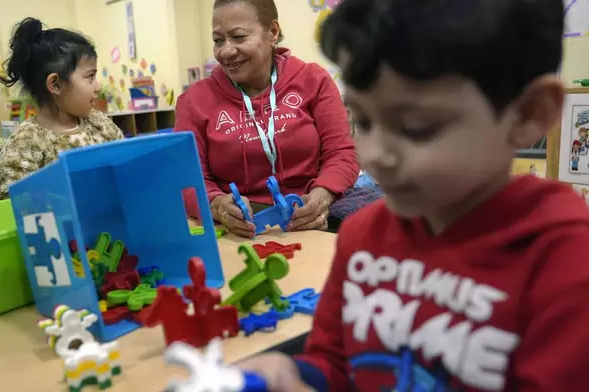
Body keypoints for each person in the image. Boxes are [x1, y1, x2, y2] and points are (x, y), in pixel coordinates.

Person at [238, 0, 589, 391]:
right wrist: (292, 374)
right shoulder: (362, 236)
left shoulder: (564, 258)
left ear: (529, 114)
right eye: (363, 121)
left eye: (417, 127)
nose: (374, 155)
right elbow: (334, 362)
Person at [174, 0, 359, 238]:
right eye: (218, 40)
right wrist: (218, 205)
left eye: (238, 37)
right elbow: (187, 179)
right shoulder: (194, 101)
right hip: (241, 229)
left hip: (316, 216)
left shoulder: (314, 80)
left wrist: (323, 195)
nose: (226, 51)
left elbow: (342, 152)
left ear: (272, 32)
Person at [0, 17, 124, 200]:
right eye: (90, 76)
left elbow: (126, 169)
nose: (98, 86)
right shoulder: (26, 142)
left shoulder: (101, 125)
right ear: (55, 84)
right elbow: (13, 204)